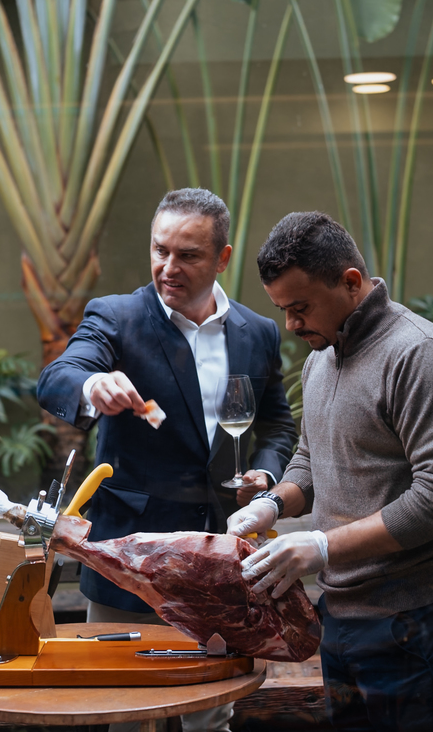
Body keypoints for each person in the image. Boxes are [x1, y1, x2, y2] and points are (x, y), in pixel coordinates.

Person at [37, 187, 297, 732]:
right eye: (160, 250)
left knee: (212, 714)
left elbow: (277, 424)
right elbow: (59, 375)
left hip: (219, 553)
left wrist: (267, 473)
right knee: (124, 714)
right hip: (128, 557)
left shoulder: (258, 332)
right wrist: (91, 385)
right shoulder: (116, 316)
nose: (168, 267)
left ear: (222, 258)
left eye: (188, 255)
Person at [229, 211, 433, 732]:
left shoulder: (423, 355)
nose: (291, 325)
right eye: (282, 310)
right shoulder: (321, 356)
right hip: (341, 616)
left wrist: (322, 547)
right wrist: (272, 504)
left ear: (350, 282)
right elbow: (310, 458)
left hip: (415, 622)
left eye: (300, 308)